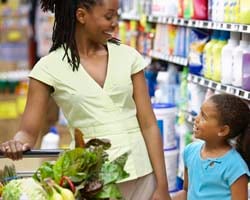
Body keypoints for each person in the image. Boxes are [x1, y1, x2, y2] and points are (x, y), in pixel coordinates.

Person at [0, 0, 172, 199]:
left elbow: (149, 124)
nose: (115, 23)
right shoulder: (48, 68)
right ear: (81, 16)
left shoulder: (129, 57)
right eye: (109, 16)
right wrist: (16, 143)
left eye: (117, 15)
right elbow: (27, 132)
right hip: (92, 181)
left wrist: (162, 186)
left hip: (143, 175)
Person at [173, 93, 250, 200]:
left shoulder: (235, 166)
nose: (196, 119)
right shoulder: (190, 151)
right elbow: (186, 192)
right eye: (200, 112)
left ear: (223, 130)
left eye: (204, 117)